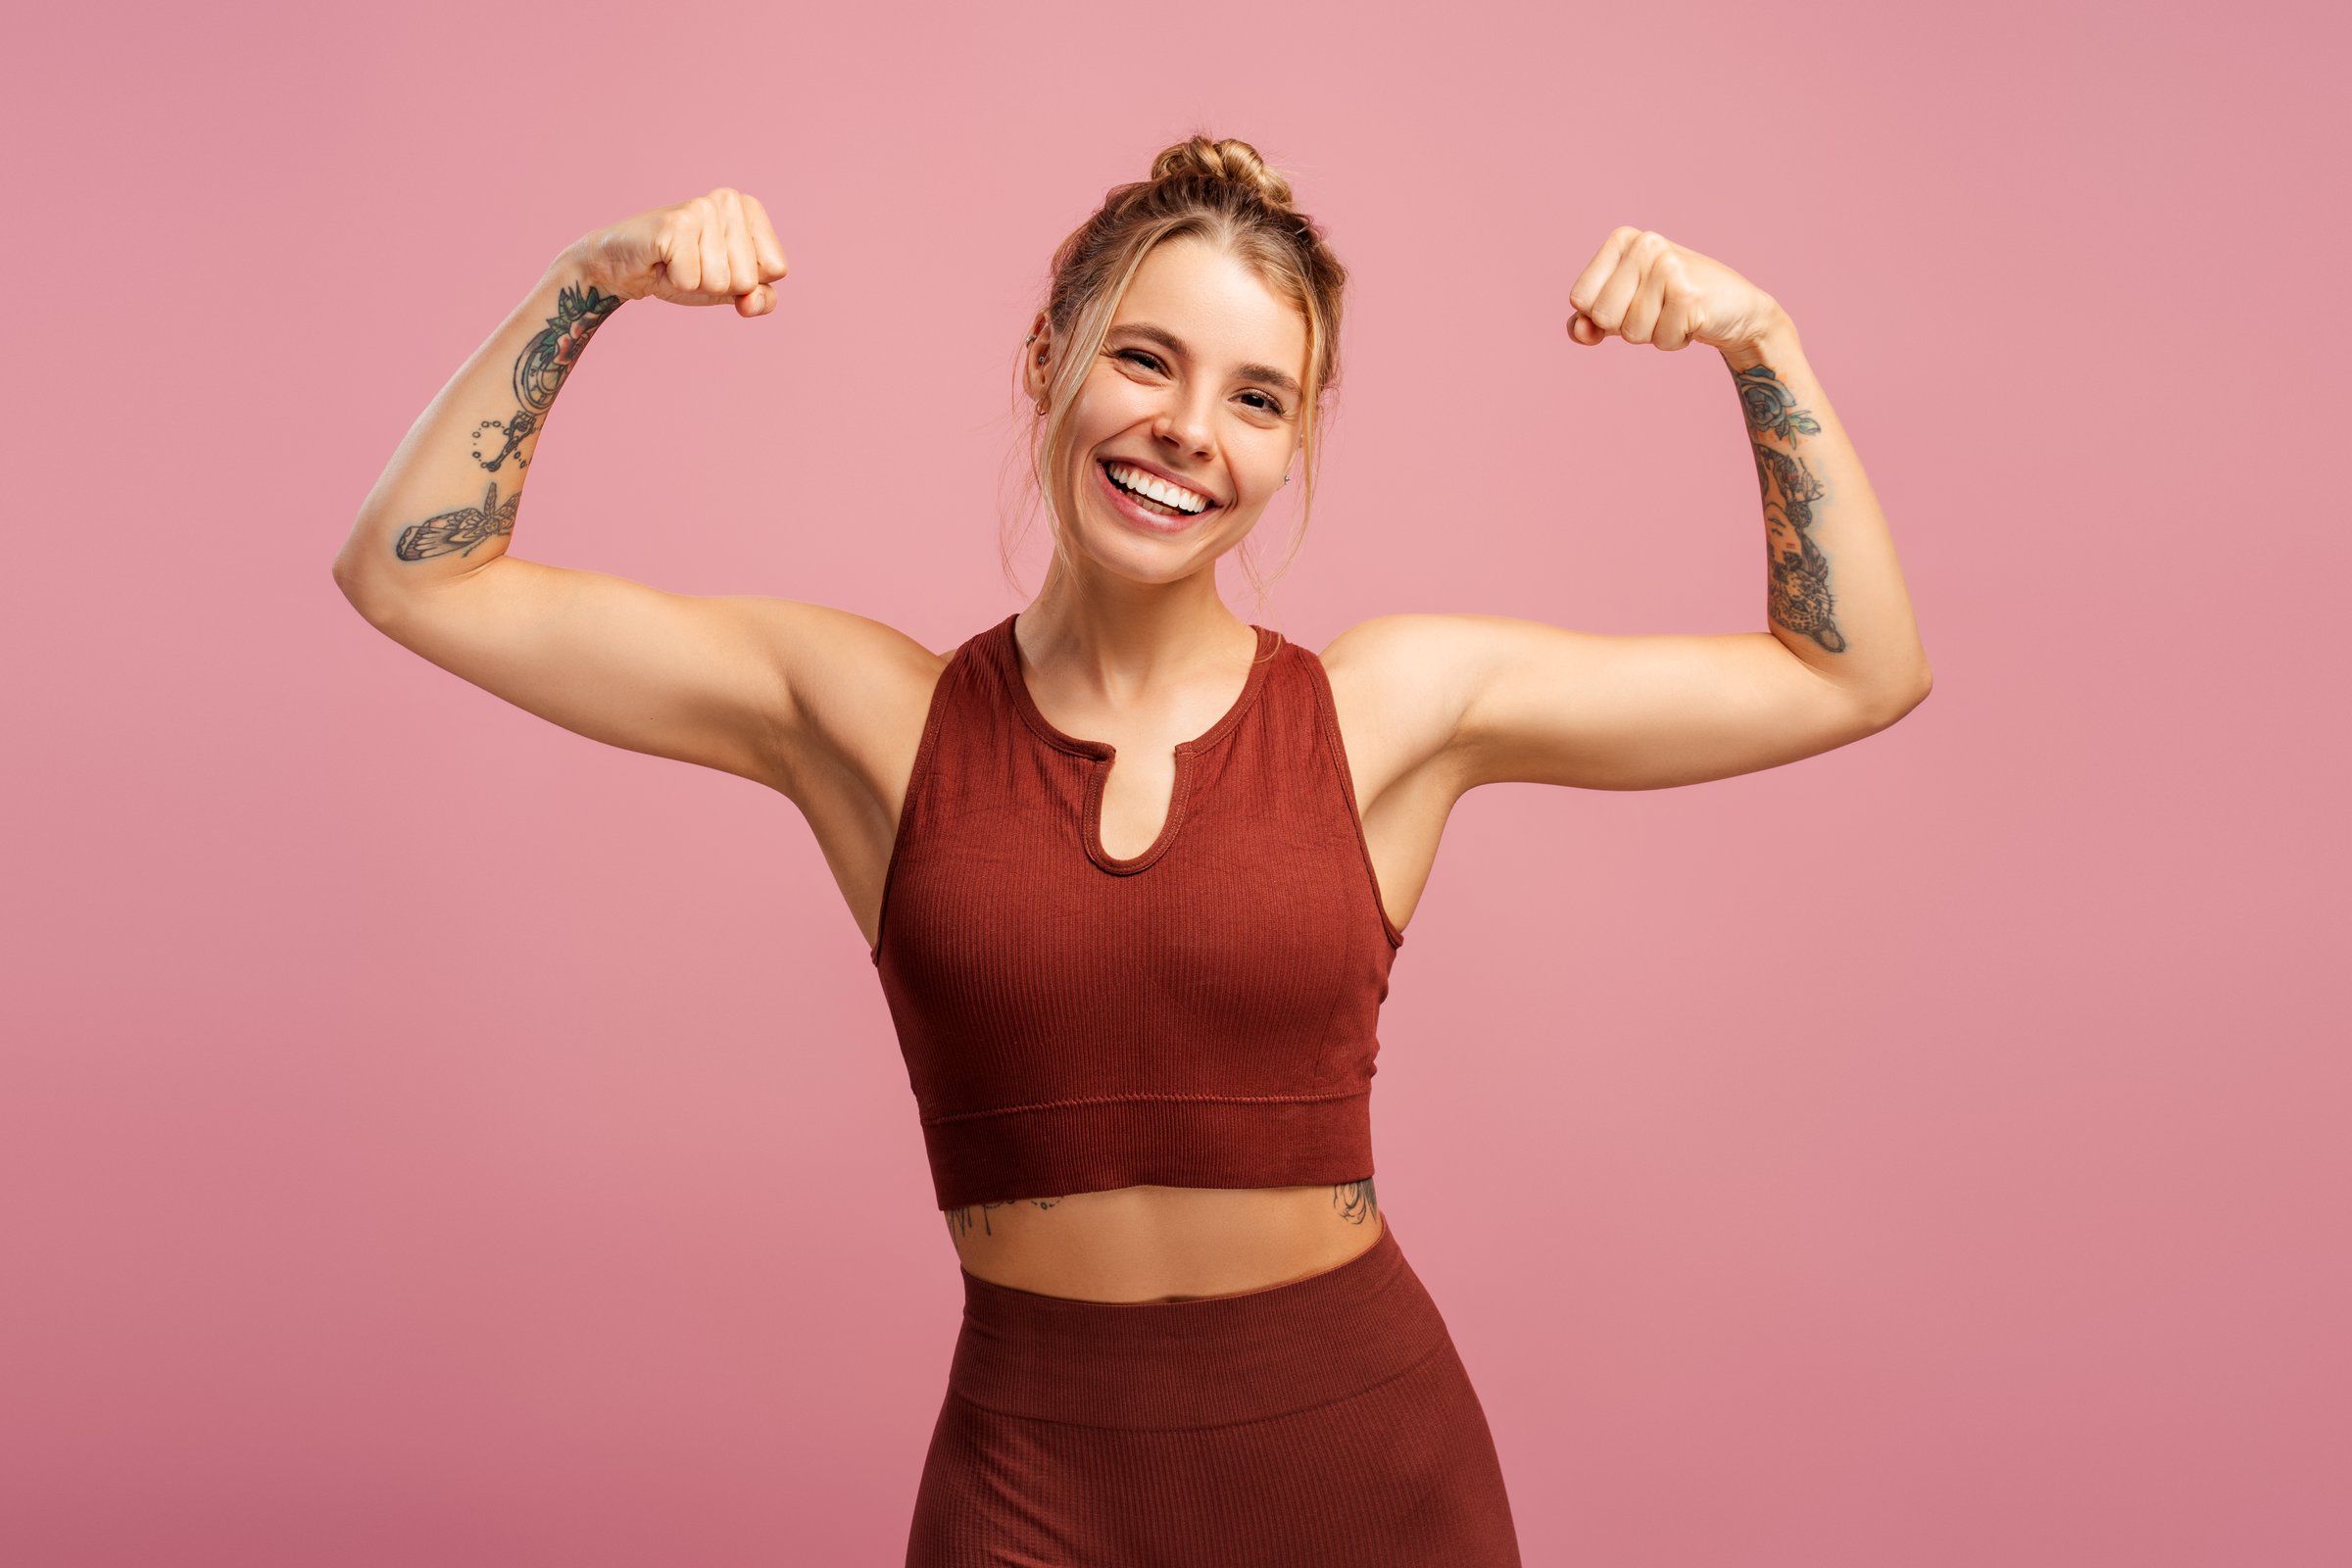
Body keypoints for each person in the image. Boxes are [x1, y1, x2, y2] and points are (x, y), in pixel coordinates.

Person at [332, 132, 1931, 1566]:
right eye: (1144, 361)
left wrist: (1758, 341)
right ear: (1053, 358)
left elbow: (1851, 670)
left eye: (1256, 399)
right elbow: (424, 577)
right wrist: (582, 284)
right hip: (1035, 1482)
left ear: (1297, 445)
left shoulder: (1390, 711)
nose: (1184, 432)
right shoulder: (869, 718)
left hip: (1366, 1470)